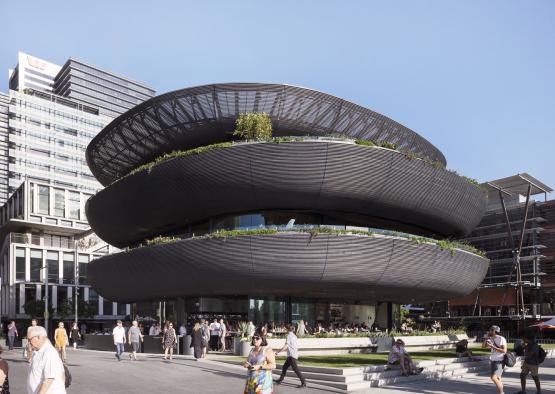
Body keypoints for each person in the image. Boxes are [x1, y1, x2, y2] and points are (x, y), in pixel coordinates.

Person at [27, 325, 66, 393]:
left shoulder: (49, 352)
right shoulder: (38, 351)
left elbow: (49, 379)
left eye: (30, 340)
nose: (29, 342)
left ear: (38, 337)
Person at [482, 325, 507, 394]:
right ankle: (501, 392)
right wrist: (486, 338)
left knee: (493, 377)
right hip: (493, 361)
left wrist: (492, 346)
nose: (488, 331)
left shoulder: (501, 339)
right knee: (498, 378)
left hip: (499, 361)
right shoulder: (490, 338)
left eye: (490, 330)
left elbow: (504, 350)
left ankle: (501, 392)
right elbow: (483, 346)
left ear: (494, 331)